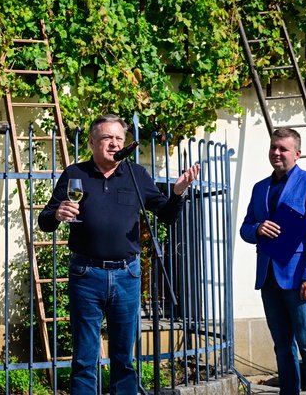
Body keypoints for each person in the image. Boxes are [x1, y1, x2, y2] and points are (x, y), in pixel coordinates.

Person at [38, 114, 199, 394]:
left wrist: (177, 193)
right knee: (86, 357)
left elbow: (167, 215)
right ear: (91, 143)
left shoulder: (136, 175)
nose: (114, 144)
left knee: (124, 357)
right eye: (106, 138)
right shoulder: (75, 174)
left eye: (118, 139)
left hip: (127, 274)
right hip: (86, 274)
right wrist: (58, 213)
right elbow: (45, 221)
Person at [240, 128, 306, 394]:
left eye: (283, 149)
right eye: (273, 147)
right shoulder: (260, 188)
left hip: (299, 279)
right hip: (268, 277)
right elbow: (245, 228)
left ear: (297, 154)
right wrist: (257, 228)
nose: (277, 153)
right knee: (281, 345)